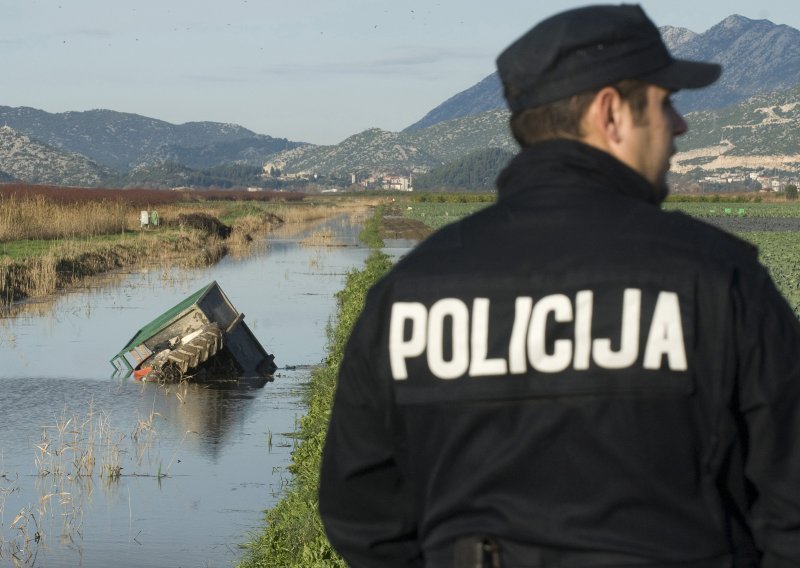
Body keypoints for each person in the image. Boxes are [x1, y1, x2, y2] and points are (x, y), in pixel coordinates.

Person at [318, 4, 800, 567]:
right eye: (664, 102)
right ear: (611, 112)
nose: (681, 125)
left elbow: (359, 512)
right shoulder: (720, 277)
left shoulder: (409, 293)